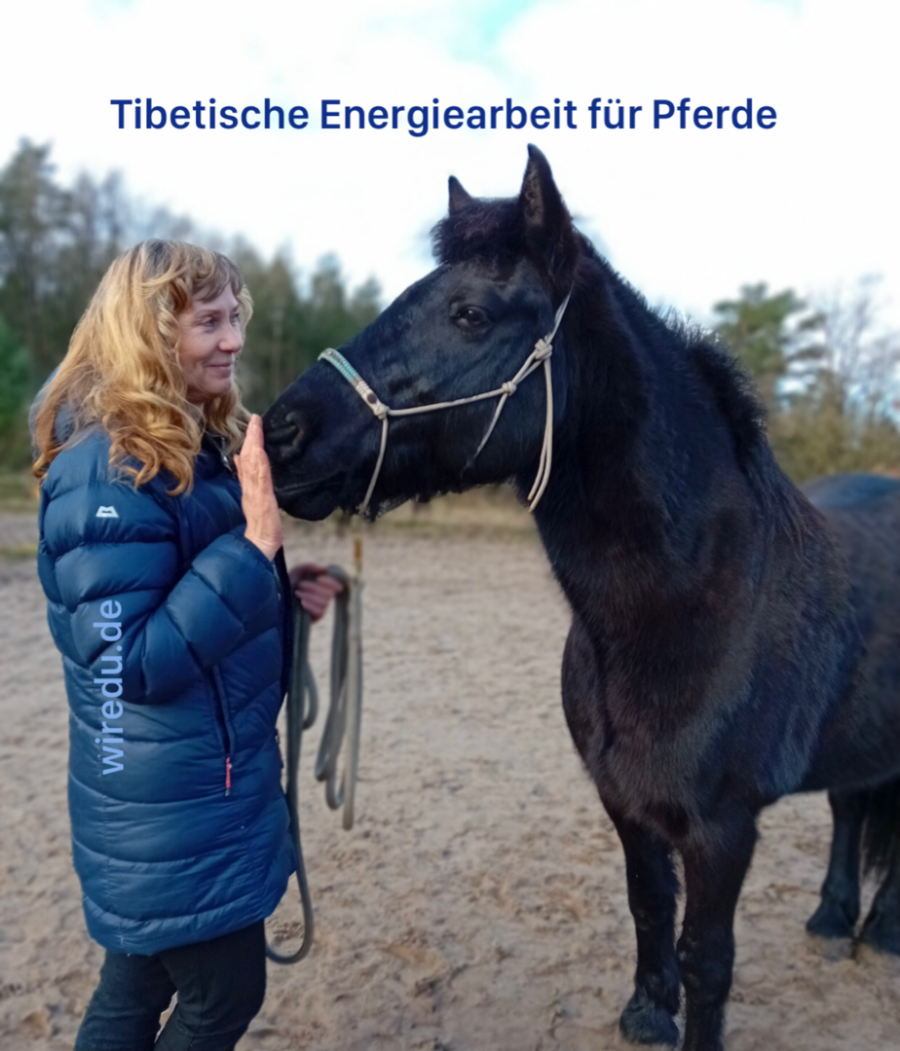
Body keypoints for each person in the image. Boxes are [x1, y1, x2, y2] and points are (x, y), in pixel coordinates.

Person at [31, 240, 342, 1051]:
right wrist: (253, 550)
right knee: (223, 994)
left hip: (182, 791)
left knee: (135, 987)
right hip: (170, 803)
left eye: (235, 316)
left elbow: (185, 593)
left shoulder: (184, 444)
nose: (233, 338)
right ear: (148, 332)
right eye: (209, 321)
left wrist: (276, 585)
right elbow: (126, 661)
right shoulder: (104, 468)